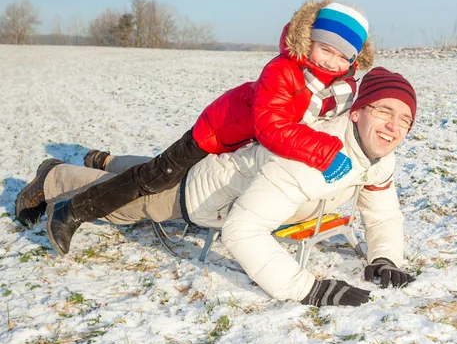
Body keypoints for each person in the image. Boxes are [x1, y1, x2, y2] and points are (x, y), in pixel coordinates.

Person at [16, 67, 417, 307]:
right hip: (203, 194)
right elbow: (241, 231)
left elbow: (382, 212)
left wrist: (385, 259)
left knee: (149, 171)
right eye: (385, 111)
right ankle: (54, 175)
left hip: (231, 169)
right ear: (359, 111)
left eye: (405, 119)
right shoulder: (315, 161)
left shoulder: (378, 157)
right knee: (127, 204)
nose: (394, 127)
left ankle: (104, 159)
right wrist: (307, 288)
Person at [17, 0, 374, 255]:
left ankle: (92, 164)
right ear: (309, 40)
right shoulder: (283, 71)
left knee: (159, 172)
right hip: (216, 133)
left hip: (238, 147)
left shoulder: (340, 87)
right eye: (325, 49)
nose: (332, 61)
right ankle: (70, 211)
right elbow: (273, 128)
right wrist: (325, 153)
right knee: (151, 180)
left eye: (343, 56)